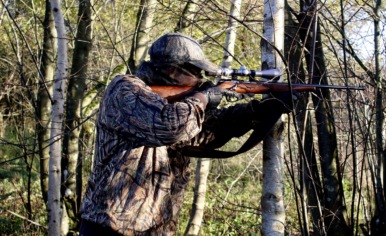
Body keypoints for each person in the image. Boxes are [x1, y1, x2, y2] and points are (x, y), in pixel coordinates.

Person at [79, 33, 293, 235]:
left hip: (155, 229)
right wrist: (203, 98)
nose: (200, 79)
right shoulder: (125, 89)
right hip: (110, 229)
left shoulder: (177, 106)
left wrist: (260, 111)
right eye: (195, 72)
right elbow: (171, 126)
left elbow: (207, 134)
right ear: (172, 70)